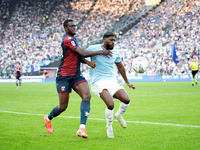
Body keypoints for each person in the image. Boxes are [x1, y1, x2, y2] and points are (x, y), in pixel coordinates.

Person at [44, 19, 112, 138]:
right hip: (64, 77)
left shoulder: (73, 39)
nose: (74, 27)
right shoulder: (67, 39)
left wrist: (86, 62)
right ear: (65, 28)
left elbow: (78, 55)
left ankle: (82, 129)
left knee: (87, 95)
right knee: (63, 107)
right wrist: (102, 51)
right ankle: (48, 118)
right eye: (71, 26)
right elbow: (82, 52)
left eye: (75, 26)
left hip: (76, 75)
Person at [86, 32, 136, 138]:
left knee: (126, 99)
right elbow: (79, 55)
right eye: (110, 40)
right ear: (104, 40)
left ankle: (118, 115)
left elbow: (120, 66)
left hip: (111, 80)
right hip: (98, 81)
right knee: (110, 104)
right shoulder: (93, 48)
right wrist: (87, 62)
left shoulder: (116, 52)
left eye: (114, 40)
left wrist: (127, 81)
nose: (113, 42)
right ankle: (109, 127)